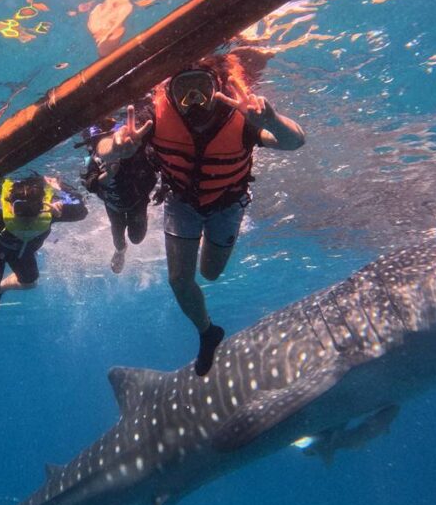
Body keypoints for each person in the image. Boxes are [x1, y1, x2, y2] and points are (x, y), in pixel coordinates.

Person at [94, 53, 305, 376]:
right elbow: (105, 146)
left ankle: (209, 314)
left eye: (201, 89)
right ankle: (208, 332)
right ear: (170, 92)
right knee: (179, 279)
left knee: (210, 273)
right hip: (182, 203)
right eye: (184, 90)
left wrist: (271, 120)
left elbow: (294, 142)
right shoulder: (155, 116)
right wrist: (117, 146)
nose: (193, 100)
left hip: (228, 205)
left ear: (217, 86)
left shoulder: (240, 114)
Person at [0, 175, 87, 331]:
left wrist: (60, 187)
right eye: (21, 209)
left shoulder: (50, 211)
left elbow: (82, 210)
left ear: (42, 204)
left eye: (32, 209)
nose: (26, 215)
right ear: (9, 204)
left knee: (31, 282)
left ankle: (1, 289)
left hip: (22, 251)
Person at [79, 108, 158, 273]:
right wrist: (108, 175)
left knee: (136, 239)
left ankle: (142, 220)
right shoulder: (92, 160)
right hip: (113, 206)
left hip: (137, 203)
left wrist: (163, 188)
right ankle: (120, 252)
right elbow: (91, 185)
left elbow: (157, 168)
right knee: (119, 242)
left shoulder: (135, 148)